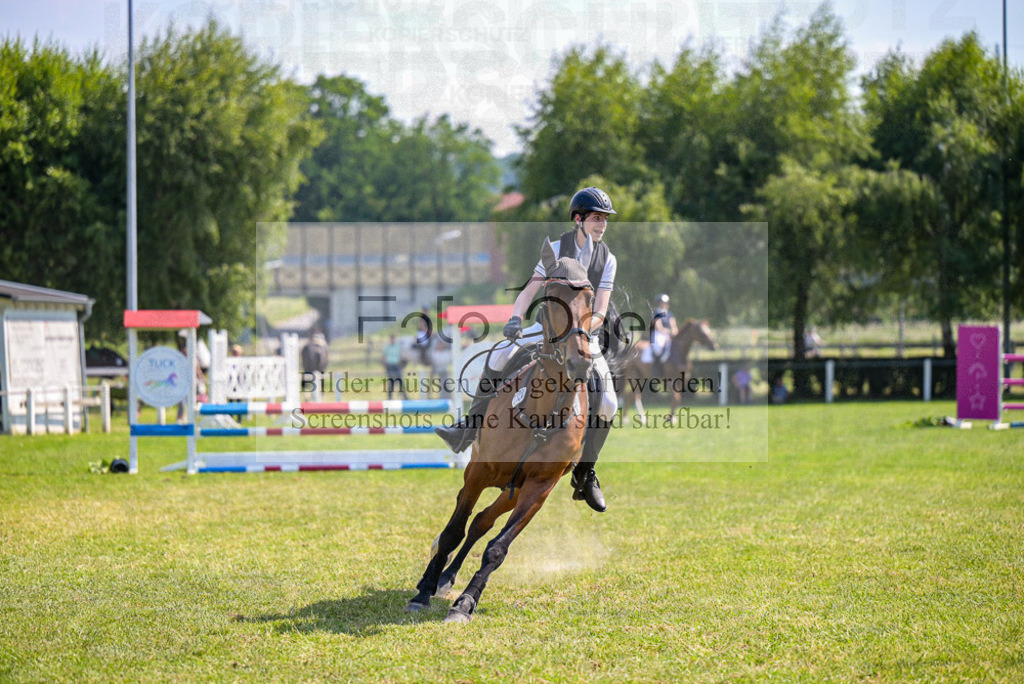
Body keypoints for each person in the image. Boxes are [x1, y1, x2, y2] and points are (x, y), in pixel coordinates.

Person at [435, 186, 622, 513]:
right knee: (498, 355)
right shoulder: (554, 248)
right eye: (596, 217)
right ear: (578, 219)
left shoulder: (607, 259)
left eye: (604, 219)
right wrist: (515, 319)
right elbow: (529, 291)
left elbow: (602, 311)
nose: (602, 224)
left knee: (607, 401)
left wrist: (577, 333)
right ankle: (469, 426)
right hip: (546, 329)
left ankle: (585, 472)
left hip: (583, 333)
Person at [647, 293, 678, 371]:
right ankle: (657, 366)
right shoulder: (656, 313)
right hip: (658, 334)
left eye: (666, 303)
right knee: (659, 348)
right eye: (663, 302)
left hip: (668, 335)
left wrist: (674, 332)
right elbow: (659, 327)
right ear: (659, 303)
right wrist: (670, 332)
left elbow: (673, 326)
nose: (665, 304)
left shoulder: (670, 314)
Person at [383, 334, 408, 399]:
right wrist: (386, 366)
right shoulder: (387, 347)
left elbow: (401, 355)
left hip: (397, 365)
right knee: (391, 381)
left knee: (400, 381)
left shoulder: (398, 346)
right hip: (390, 365)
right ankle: (390, 398)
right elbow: (384, 357)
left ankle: (405, 397)